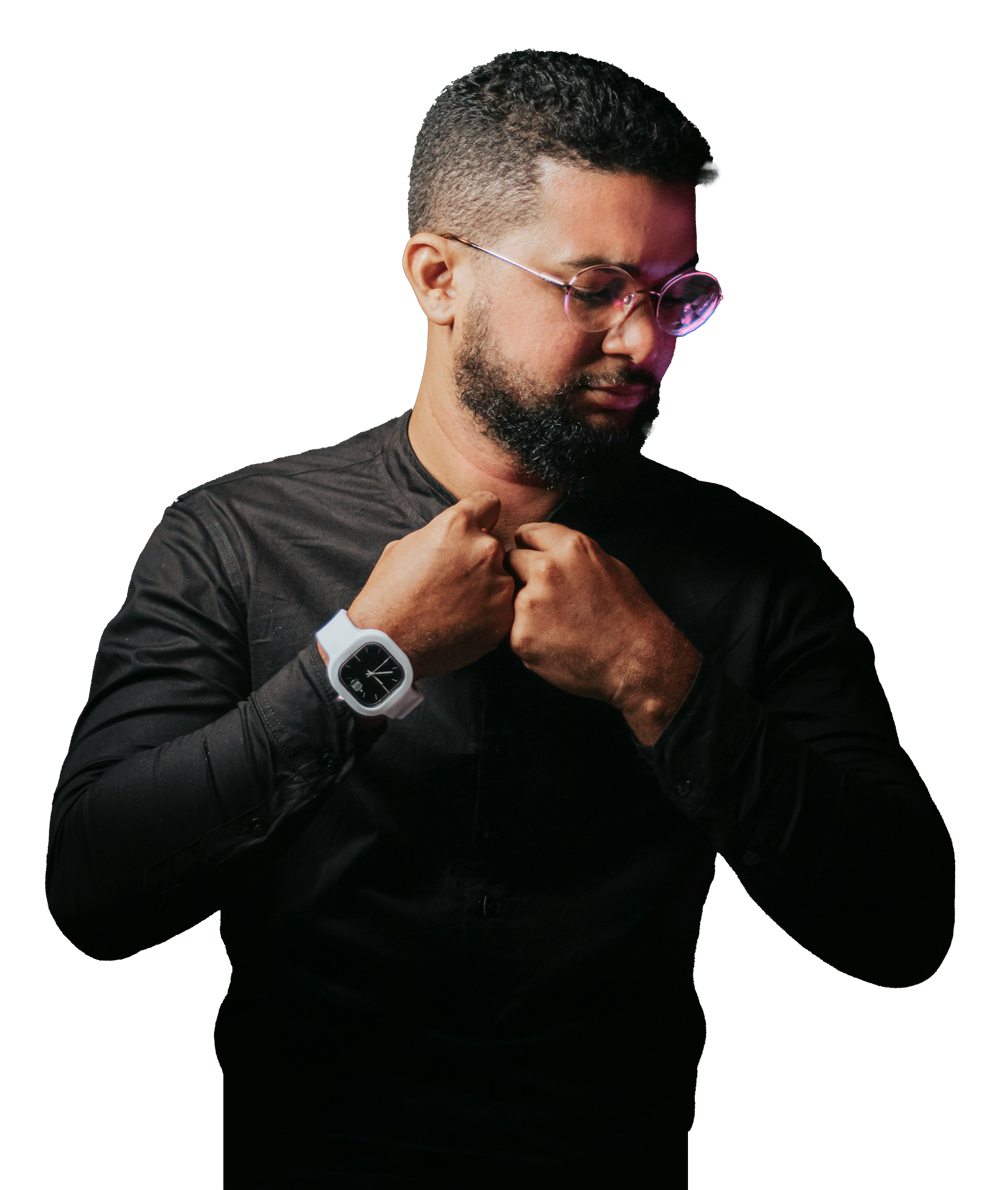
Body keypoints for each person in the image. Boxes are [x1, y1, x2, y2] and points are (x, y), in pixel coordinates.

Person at [46, 49, 954, 1189]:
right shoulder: (233, 537)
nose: (647, 342)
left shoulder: (758, 569)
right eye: (596, 288)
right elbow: (95, 889)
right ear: (439, 278)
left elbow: (904, 924)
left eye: (675, 294)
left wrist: (659, 681)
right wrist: (367, 658)